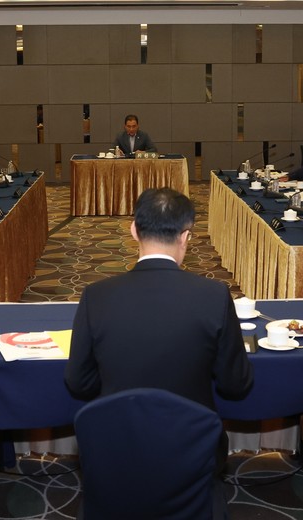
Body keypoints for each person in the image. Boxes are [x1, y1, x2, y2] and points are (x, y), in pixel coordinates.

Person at [65, 188, 254, 473]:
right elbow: (235, 384)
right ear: (186, 236)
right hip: (193, 448)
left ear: (133, 231)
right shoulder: (214, 295)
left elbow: (78, 382)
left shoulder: (96, 295)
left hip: (117, 448)